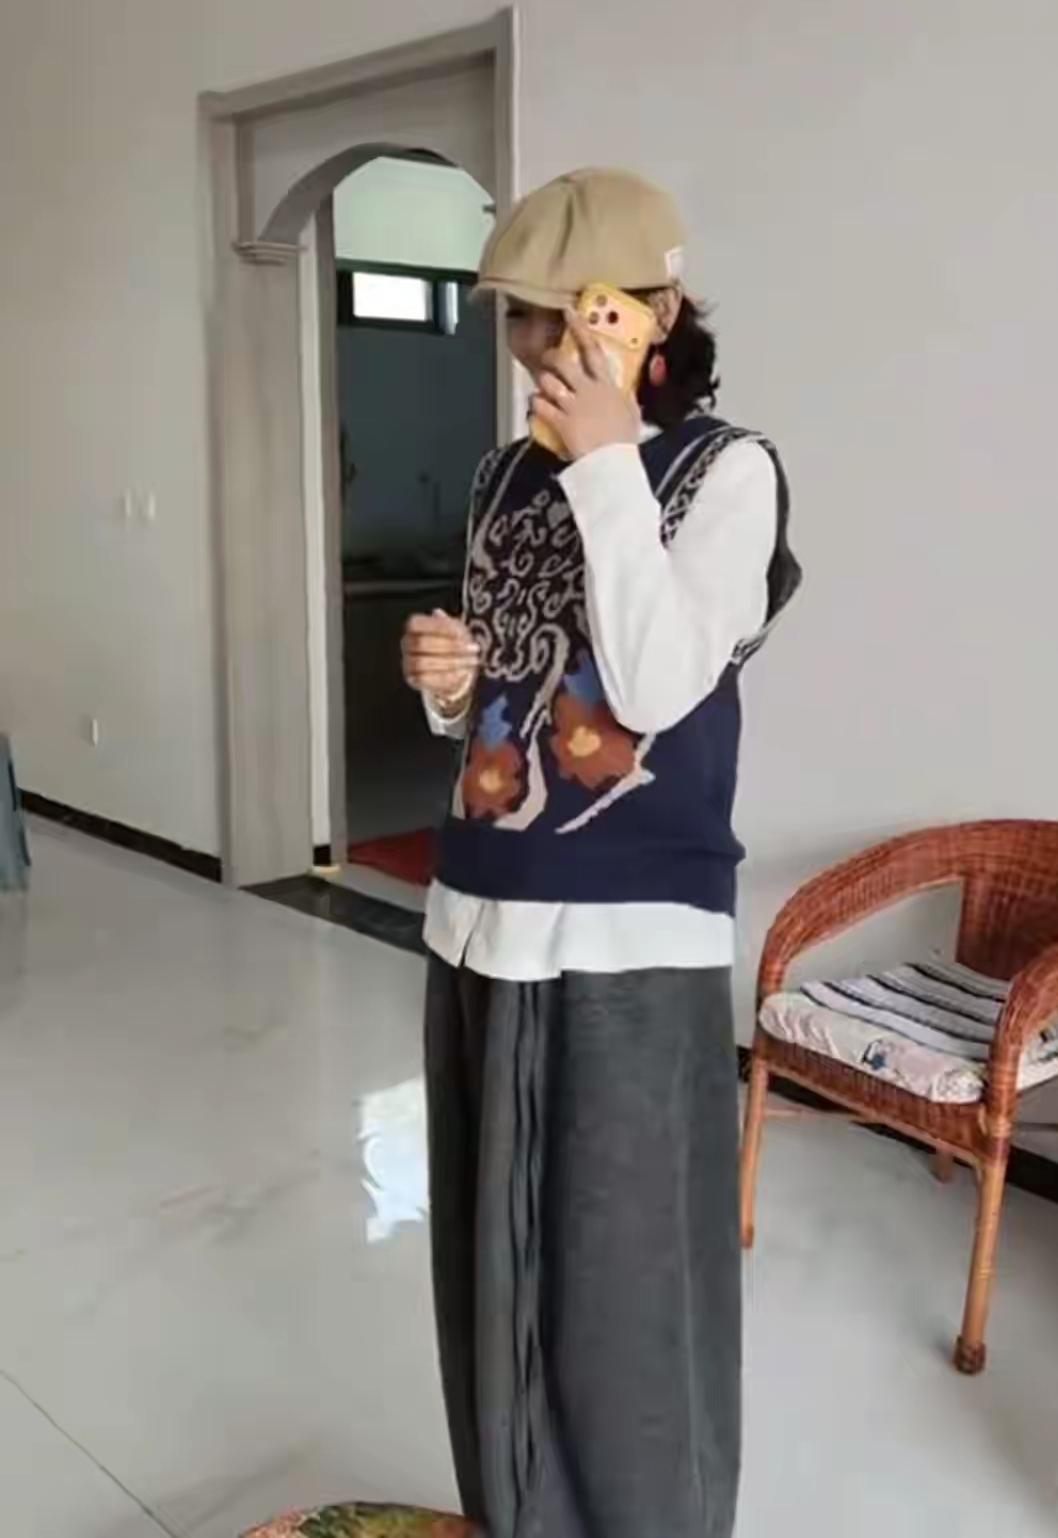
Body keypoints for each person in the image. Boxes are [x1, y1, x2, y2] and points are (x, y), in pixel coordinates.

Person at [401, 167, 800, 1538]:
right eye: (518, 320)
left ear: (652, 314)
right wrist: (446, 680)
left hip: (631, 936)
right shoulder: (498, 472)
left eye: (565, 315)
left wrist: (609, 460)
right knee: (491, 1277)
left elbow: (655, 679)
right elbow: (507, 684)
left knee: (625, 1294)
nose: (537, 350)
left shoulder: (726, 471)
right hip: (478, 912)